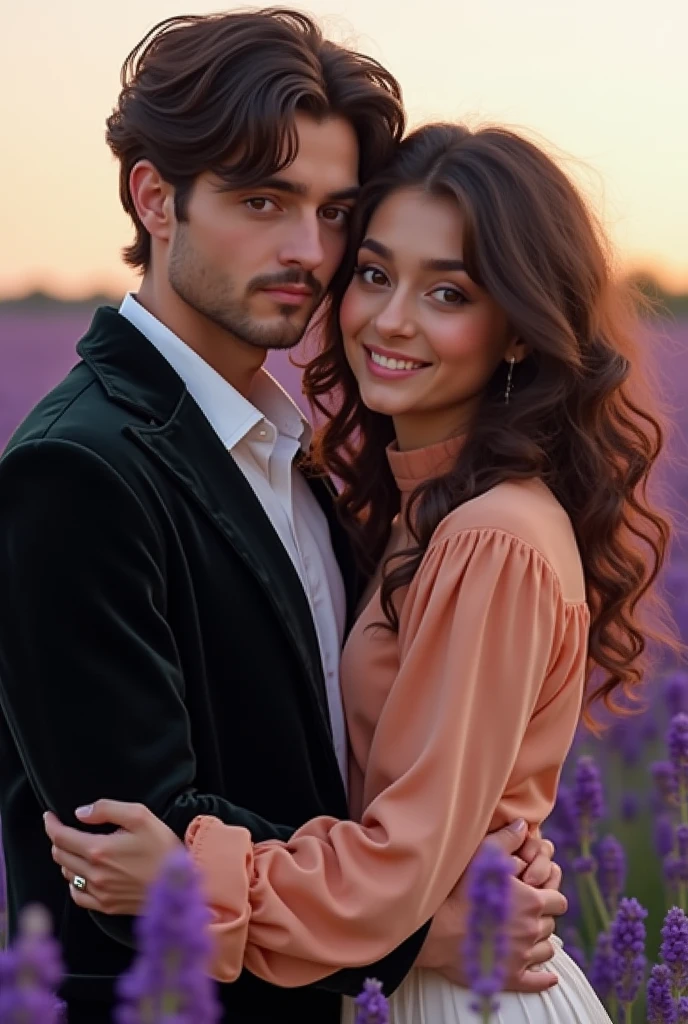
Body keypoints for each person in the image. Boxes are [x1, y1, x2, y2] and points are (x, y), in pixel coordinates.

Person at [0, 12, 563, 1024]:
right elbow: (112, 846)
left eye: (335, 211)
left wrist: (472, 833)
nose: (309, 250)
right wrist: (414, 929)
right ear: (154, 197)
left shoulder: (294, 459)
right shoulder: (75, 470)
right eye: (263, 201)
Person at [47, 122, 673, 1022]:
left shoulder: (489, 538)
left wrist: (191, 881)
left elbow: (396, 869)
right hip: (403, 978)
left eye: (448, 292)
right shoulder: (425, 514)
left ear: (518, 335)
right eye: (375, 274)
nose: (391, 318)